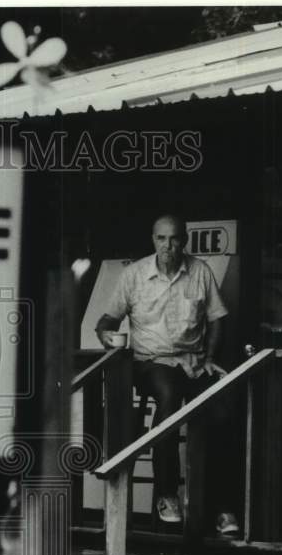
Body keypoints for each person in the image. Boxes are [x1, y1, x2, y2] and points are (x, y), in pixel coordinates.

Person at [94, 214, 240, 536]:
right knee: (169, 397)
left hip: (193, 361)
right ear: (153, 240)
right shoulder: (133, 275)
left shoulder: (199, 271)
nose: (168, 246)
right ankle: (167, 495)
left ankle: (221, 507)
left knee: (225, 406)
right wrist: (108, 337)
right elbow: (105, 322)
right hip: (150, 362)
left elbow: (217, 319)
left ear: (184, 240)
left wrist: (210, 357)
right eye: (162, 239)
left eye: (174, 239)